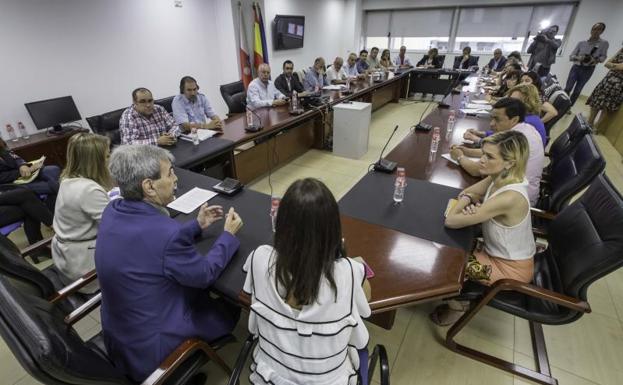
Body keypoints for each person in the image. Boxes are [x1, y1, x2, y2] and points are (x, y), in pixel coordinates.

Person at [95, 144, 244, 383]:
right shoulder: (166, 233)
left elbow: (147, 243)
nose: (175, 179)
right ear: (149, 186)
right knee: (230, 304)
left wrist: (196, 226)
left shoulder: (114, 209)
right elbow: (204, 274)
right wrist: (228, 236)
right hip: (157, 347)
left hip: (121, 335)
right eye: (170, 173)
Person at [243, 178, 371, 385]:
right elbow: (366, 306)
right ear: (334, 232)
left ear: (281, 225)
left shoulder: (259, 259)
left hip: (270, 379)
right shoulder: (348, 272)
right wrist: (352, 264)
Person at [432, 130, 535, 325]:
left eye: (489, 156)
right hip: (495, 253)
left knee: (445, 262)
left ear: (510, 162)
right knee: (446, 247)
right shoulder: (500, 176)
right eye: (483, 153)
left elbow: (451, 220)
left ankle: (458, 306)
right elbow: (467, 192)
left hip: (510, 271)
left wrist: (467, 205)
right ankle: (455, 296)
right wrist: (469, 201)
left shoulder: (510, 196)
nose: (482, 160)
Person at [452, 98, 544, 205]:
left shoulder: (515, 140)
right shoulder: (526, 128)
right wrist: (468, 151)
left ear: (514, 120)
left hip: (517, 200)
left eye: (497, 119)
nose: (491, 124)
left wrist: (459, 156)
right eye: (492, 118)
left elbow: (476, 170)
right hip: (513, 188)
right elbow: (494, 153)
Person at [51, 133, 113, 292]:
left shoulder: (67, 180)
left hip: (66, 258)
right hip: (85, 269)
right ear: (95, 162)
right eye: (107, 156)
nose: (110, 159)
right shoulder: (89, 189)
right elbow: (115, 228)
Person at [0, 138, 60, 211]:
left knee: (53, 169)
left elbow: (16, 158)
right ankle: (61, 191)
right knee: (49, 186)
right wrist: (24, 171)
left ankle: (53, 204)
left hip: (25, 175)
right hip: (11, 184)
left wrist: (22, 165)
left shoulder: (2, 147)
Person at [565, 23, 609, 106]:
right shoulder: (581, 43)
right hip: (576, 67)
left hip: (588, 69)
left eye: (599, 29)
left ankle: (568, 107)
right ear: (591, 30)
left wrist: (595, 60)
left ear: (602, 31)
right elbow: (571, 56)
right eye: (594, 29)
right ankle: (561, 104)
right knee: (568, 88)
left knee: (577, 90)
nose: (596, 31)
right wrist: (579, 58)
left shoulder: (604, 43)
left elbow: (603, 57)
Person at [587, 46, 623, 128]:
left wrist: (613, 65)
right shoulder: (621, 49)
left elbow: (616, 66)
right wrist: (616, 66)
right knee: (596, 102)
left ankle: (596, 127)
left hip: (618, 85)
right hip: (607, 80)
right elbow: (606, 64)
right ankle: (589, 123)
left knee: (606, 107)